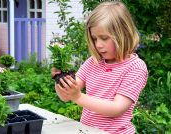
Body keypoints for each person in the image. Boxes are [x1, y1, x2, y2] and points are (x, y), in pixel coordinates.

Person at [51, 1, 148, 134]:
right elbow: (66, 96)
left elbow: (116, 108)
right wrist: (60, 81)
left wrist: (78, 97)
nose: (98, 45)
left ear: (123, 35)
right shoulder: (93, 62)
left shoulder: (135, 68)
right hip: (87, 131)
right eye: (95, 39)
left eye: (104, 38)